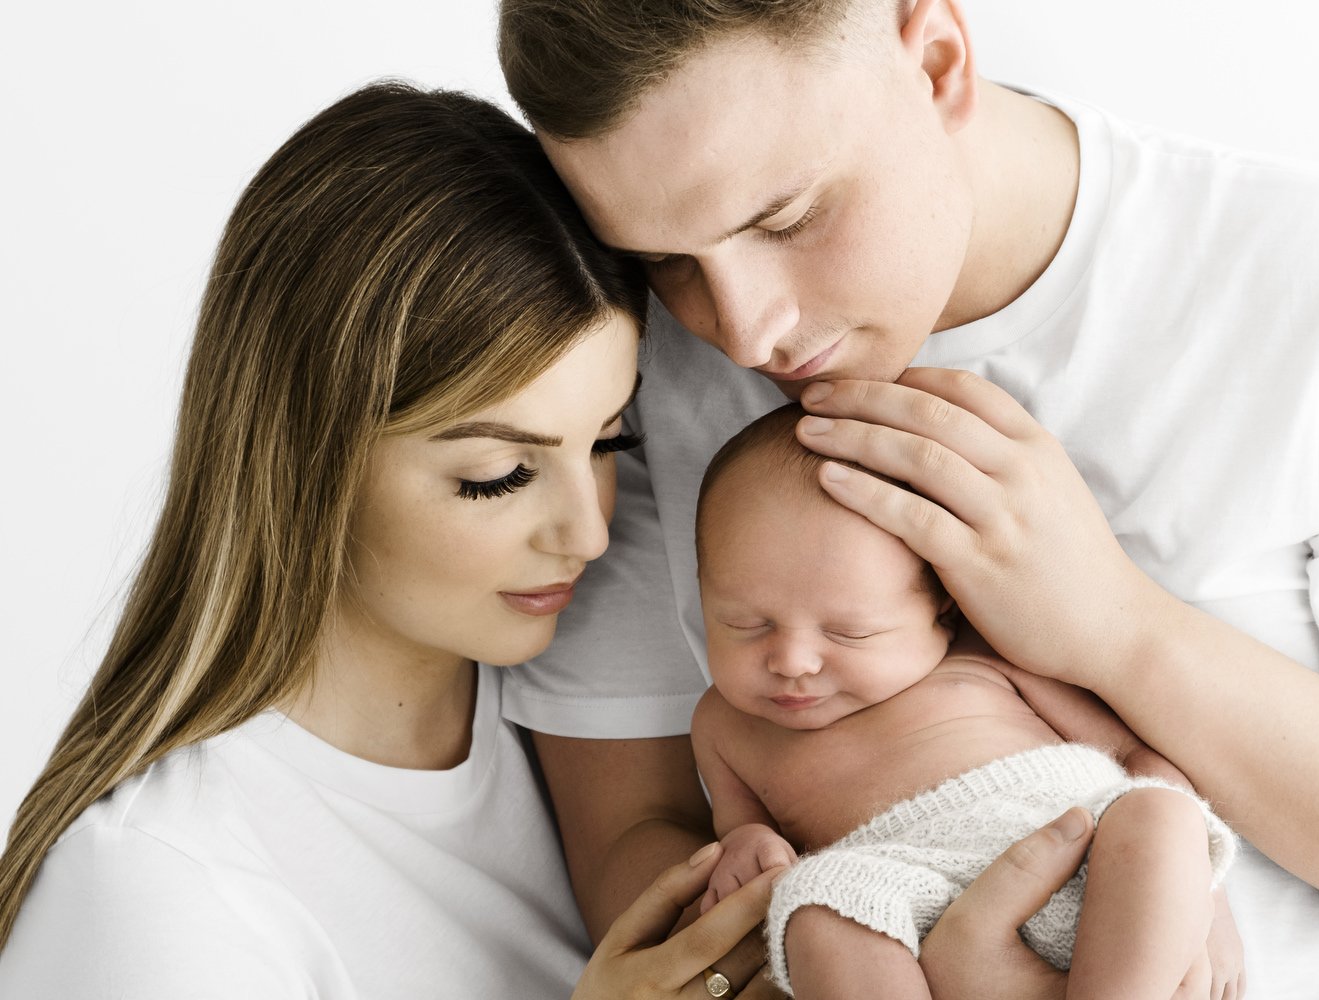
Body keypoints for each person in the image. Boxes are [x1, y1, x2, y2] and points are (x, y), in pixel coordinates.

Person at [497, 1, 1319, 997]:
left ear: (937, 63)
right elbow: (633, 852)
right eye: (664, 259)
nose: (746, 331)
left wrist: (1119, 629)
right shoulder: (621, 371)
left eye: (785, 218)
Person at [0, 80, 805, 998]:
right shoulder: (157, 894)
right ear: (304, 457)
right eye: (496, 475)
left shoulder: (610, 718)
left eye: (609, 442)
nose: (589, 533)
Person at [691, 404, 1241, 999]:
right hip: (903, 900)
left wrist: (1202, 893)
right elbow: (740, 833)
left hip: (1086, 860)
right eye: (744, 624)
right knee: (818, 907)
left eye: (849, 633)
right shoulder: (723, 724)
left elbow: (1135, 755)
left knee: (1159, 809)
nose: (793, 661)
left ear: (943, 607)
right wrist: (748, 846)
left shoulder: (989, 656)